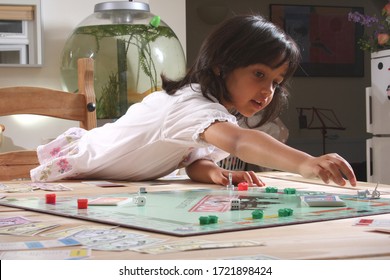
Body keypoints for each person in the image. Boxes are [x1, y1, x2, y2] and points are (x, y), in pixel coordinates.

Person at [30, 14, 357, 187]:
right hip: (80, 169)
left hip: (113, 182)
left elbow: (192, 161)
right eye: (259, 74)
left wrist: (215, 173)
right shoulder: (192, 105)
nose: (268, 90)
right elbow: (241, 141)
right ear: (221, 65)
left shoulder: (211, 113)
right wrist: (304, 162)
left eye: (276, 82)